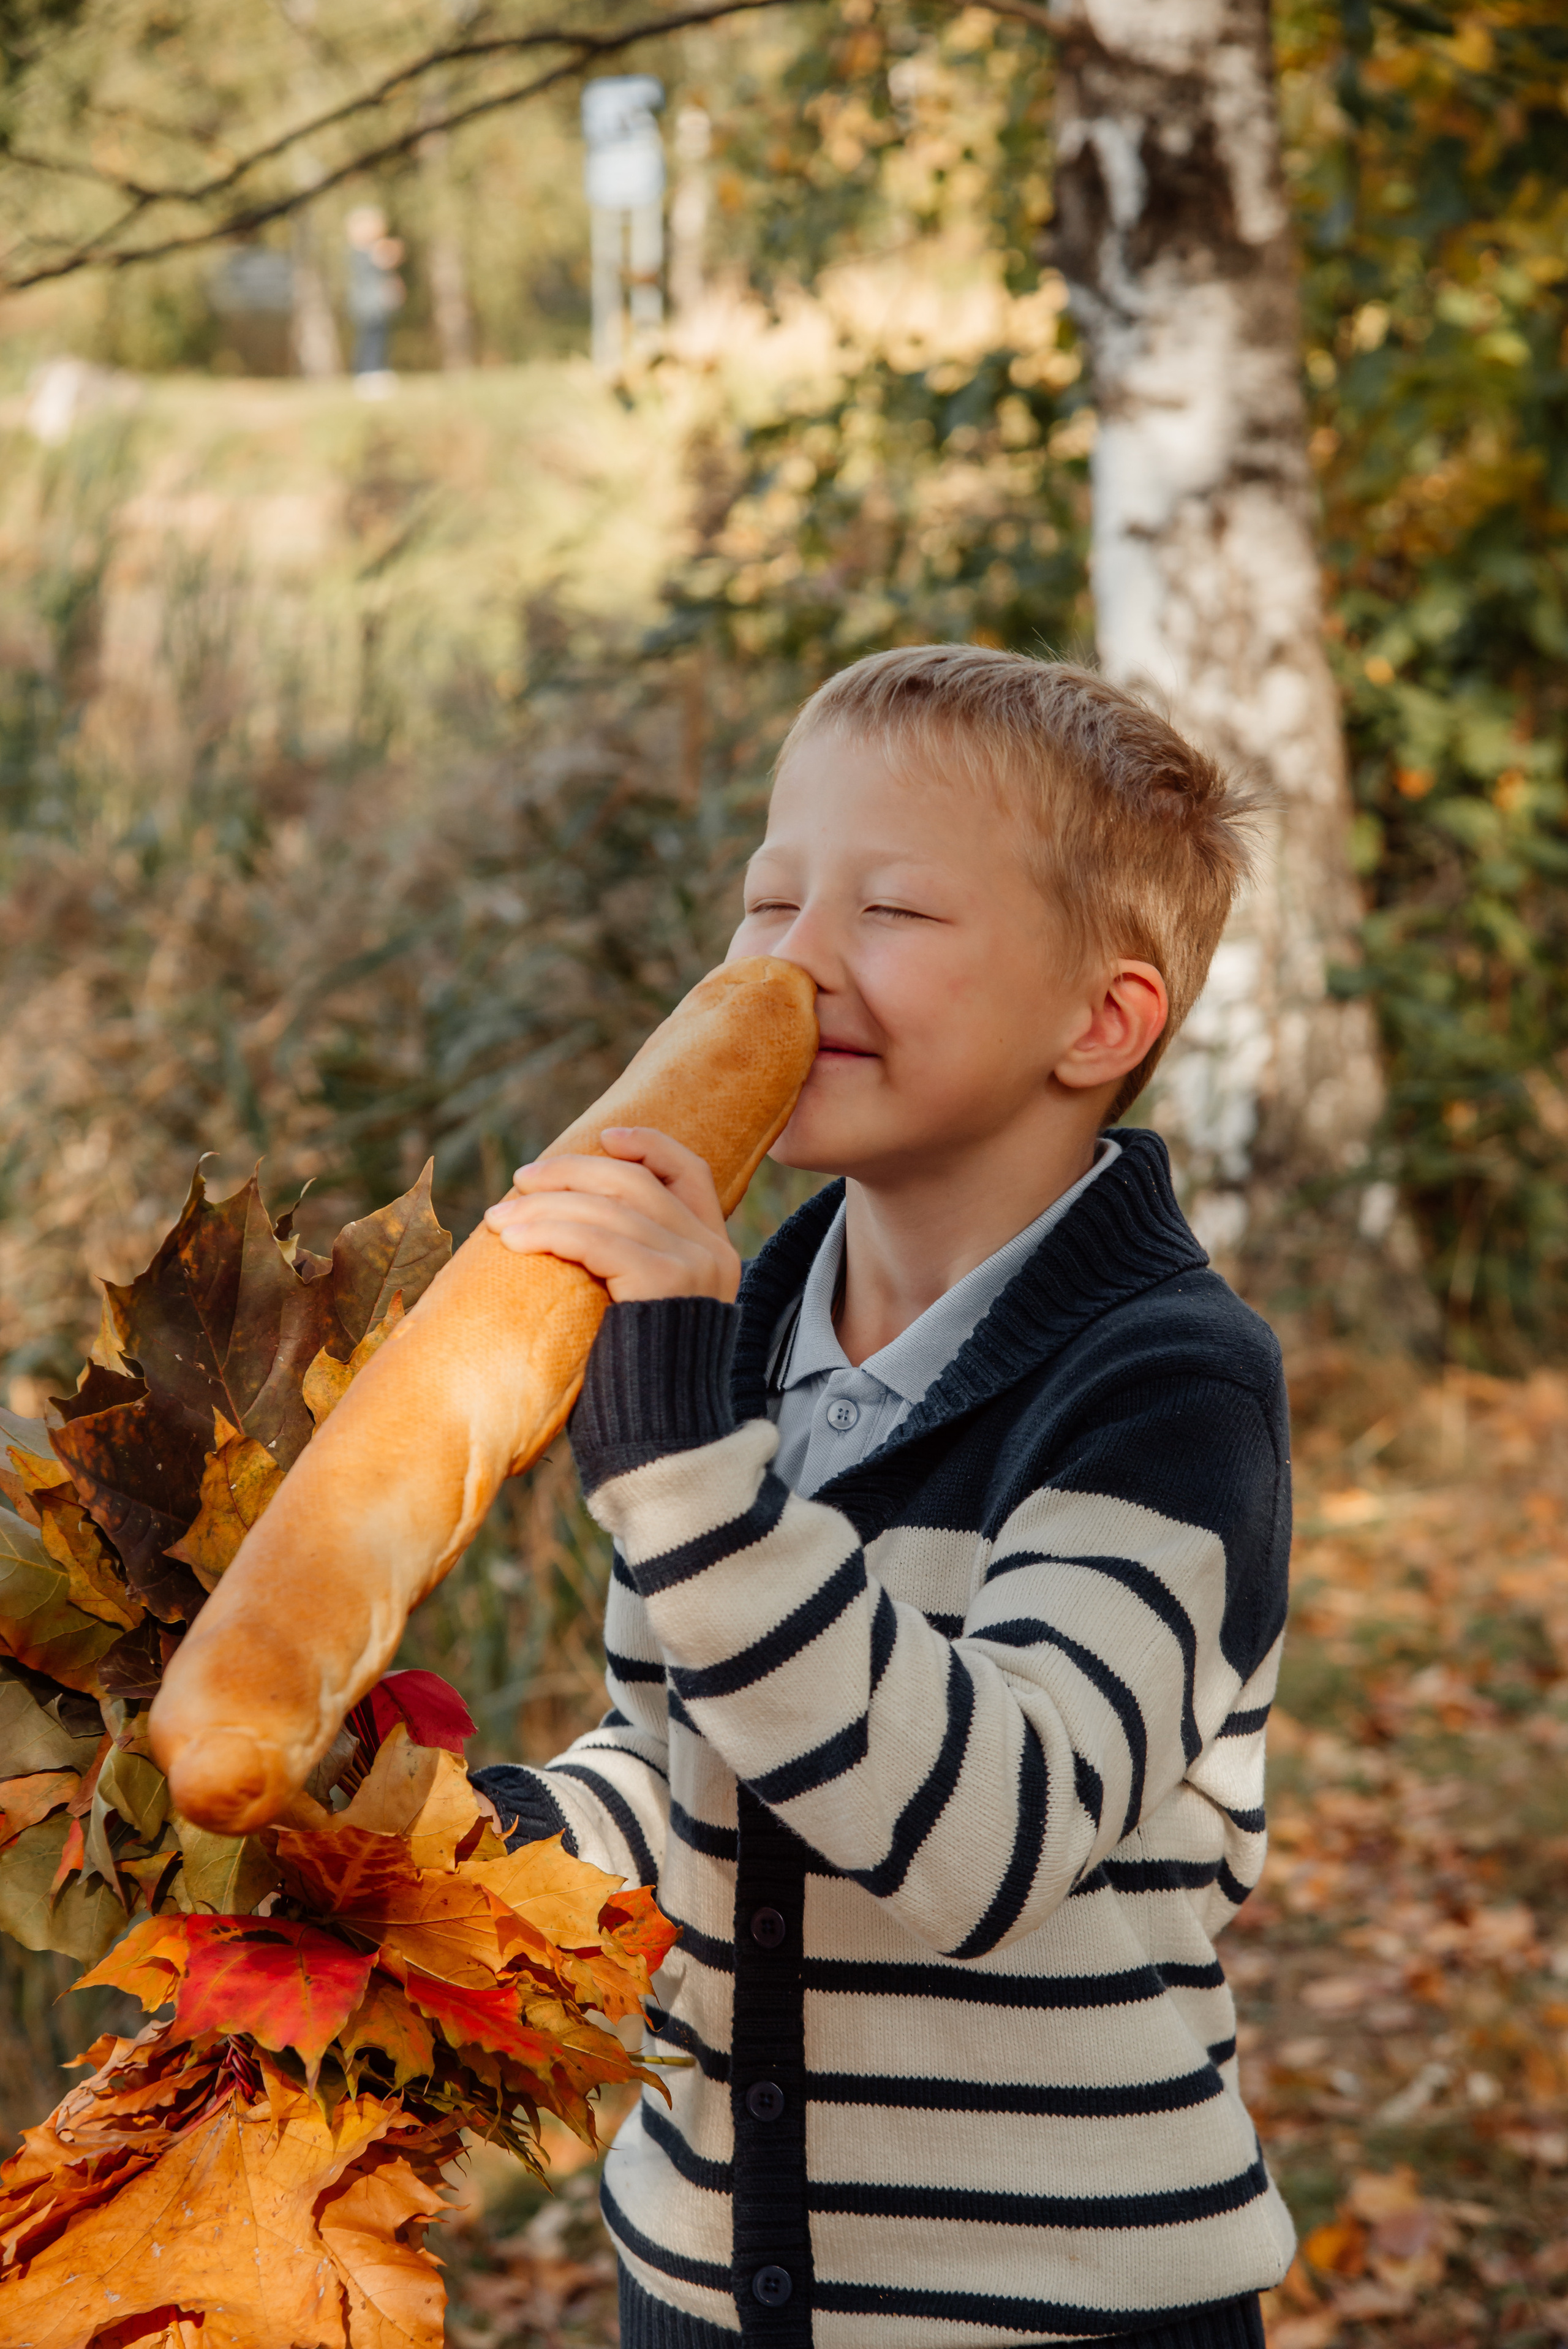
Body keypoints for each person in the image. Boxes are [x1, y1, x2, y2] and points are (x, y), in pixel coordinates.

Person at [473, 645, 1295, 2349]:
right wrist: (495, 1843)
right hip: (703, 2281)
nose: (793, 957)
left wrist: (679, 1463)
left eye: (894, 909)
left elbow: (988, 1836)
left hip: (1053, 2308)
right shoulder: (741, 1329)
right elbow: (693, 1758)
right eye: (770, 896)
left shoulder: (1168, 1390)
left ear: (1099, 1020)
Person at [344, 203, 404, 395]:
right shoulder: (361, 253)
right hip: (368, 304)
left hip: (378, 304)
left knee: (380, 338)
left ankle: (378, 370)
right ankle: (368, 372)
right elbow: (385, 261)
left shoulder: (371, 250)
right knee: (370, 339)